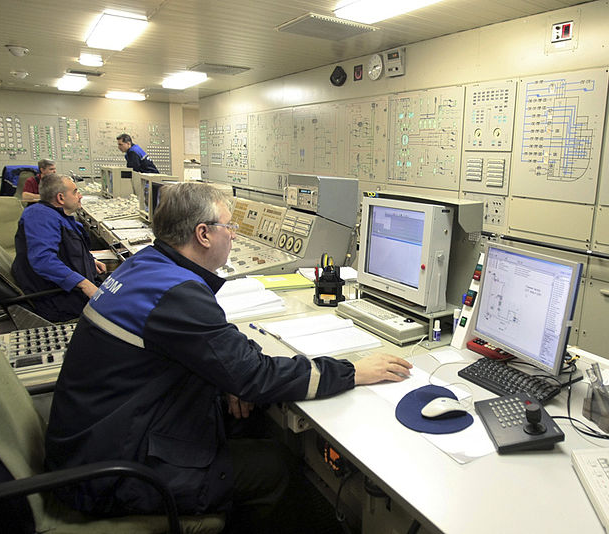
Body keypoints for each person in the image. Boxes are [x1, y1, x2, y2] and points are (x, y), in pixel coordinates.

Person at [44, 182, 411, 527]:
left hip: (95, 441)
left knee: (245, 420)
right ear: (203, 234)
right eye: (229, 227)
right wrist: (353, 372)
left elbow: (213, 351)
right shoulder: (178, 294)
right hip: (113, 472)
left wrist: (226, 378)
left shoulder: (146, 267)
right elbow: (258, 375)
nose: (234, 235)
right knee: (276, 466)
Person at [11, 174, 106, 322]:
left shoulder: (56, 215)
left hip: (69, 289)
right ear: (61, 198)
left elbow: (65, 248)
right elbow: (43, 261)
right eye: (75, 192)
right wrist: (84, 284)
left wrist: (88, 260)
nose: (80, 196)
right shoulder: (40, 216)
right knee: (126, 306)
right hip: (58, 299)